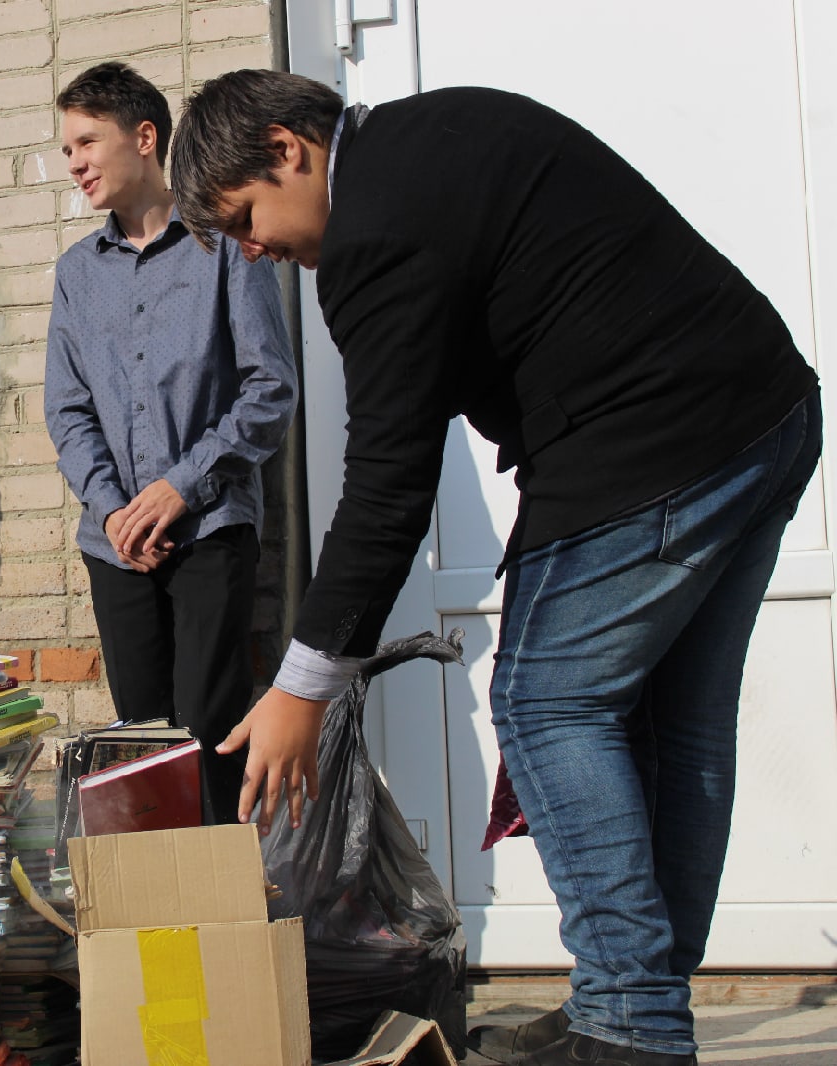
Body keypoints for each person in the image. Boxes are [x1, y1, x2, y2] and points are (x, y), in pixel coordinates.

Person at [169, 71, 820, 1066]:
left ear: (286, 149)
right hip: (761, 412)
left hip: (656, 440)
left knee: (545, 703)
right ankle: (634, 997)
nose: (253, 251)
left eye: (244, 218)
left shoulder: (374, 228)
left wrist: (304, 684)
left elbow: (387, 487)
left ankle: (631, 1026)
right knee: (675, 719)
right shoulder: (436, 130)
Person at [43, 62, 297, 822]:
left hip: (210, 531)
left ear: (145, 137)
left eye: (88, 141)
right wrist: (117, 508)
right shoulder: (75, 275)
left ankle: (220, 908)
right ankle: (156, 925)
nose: (75, 162)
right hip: (115, 541)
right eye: (66, 149)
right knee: (140, 746)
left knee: (208, 729)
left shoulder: (224, 248)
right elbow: (67, 408)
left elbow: (270, 388)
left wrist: (180, 487)